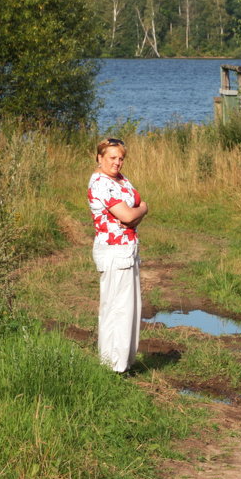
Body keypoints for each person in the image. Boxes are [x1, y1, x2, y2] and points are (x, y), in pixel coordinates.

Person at [87, 137, 147, 373]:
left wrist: (138, 210)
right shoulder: (101, 183)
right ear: (99, 157)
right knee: (116, 309)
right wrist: (140, 211)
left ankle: (124, 362)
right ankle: (113, 366)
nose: (117, 162)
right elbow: (128, 215)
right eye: (112, 158)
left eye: (120, 158)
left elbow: (136, 206)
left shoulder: (120, 179)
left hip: (127, 248)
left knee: (131, 308)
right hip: (113, 251)